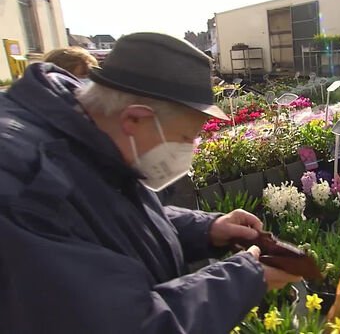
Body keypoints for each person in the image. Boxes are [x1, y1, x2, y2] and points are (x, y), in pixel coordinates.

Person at [0, 33, 300, 333]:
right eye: (185, 138)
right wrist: (243, 279)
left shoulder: (89, 133)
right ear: (135, 119)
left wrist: (205, 230)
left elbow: (108, 215)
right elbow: (126, 324)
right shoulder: (22, 185)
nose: (190, 151)